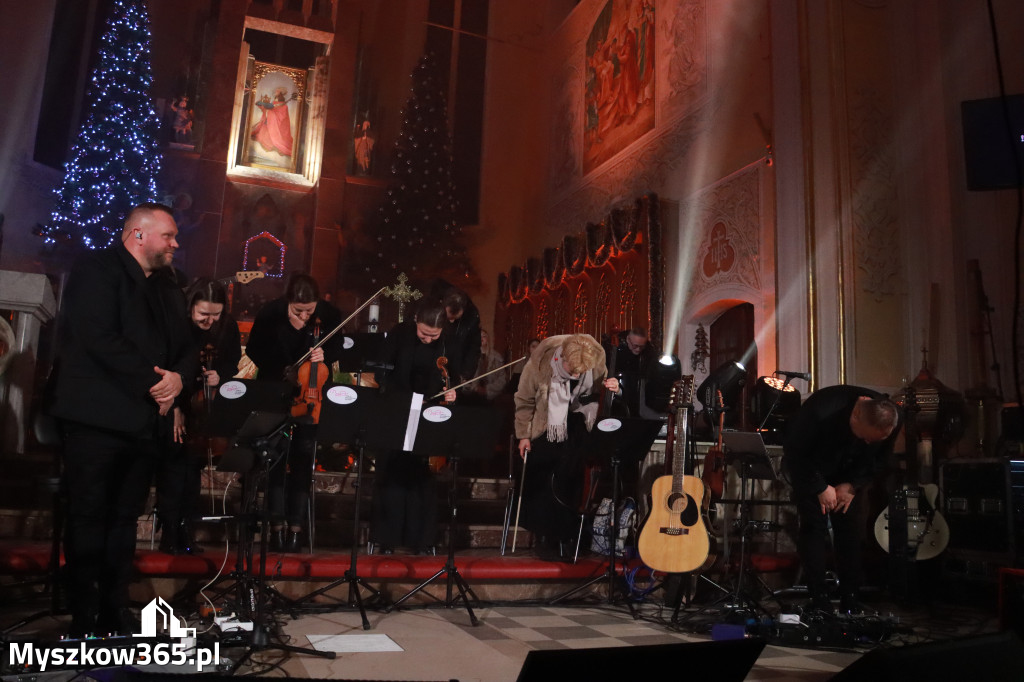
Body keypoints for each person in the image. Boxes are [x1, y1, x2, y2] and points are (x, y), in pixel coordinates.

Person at [49, 203, 197, 636]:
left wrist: (179, 379)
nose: (175, 244)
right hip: (95, 417)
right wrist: (158, 384)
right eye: (168, 236)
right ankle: (84, 615)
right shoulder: (96, 269)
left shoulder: (169, 286)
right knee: (89, 516)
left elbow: (186, 346)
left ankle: (115, 612)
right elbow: (98, 337)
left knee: (124, 519)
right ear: (138, 234)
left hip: (142, 423)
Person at [245, 272, 344, 552]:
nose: (304, 316)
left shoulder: (328, 314)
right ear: (288, 302)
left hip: (311, 397)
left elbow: (338, 347)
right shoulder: (271, 313)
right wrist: (281, 366)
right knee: (276, 459)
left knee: (303, 458)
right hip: (277, 392)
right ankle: (276, 527)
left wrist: (326, 353)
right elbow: (254, 350)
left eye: (309, 310)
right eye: (298, 310)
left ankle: (296, 530)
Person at [782, 385, 900, 613]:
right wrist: (820, 487)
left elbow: (880, 459)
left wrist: (853, 485)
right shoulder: (820, 410)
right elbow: (795, 452)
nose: (868, 443)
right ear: (855, 415)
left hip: (849, 475)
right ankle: (820, 601)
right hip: (812, 469)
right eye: (865, 437)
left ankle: (851, 600)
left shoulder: (893, 417)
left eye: (873, 440)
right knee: (813, 529)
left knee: (850, 532)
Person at [513, 334, 620, 560]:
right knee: (545, 471)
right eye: (573, 371)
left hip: (576, 422)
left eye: (581, 373)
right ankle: (545, 534)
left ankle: (569, 534)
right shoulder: (540, 364)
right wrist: (523, 435)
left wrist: (613, 386)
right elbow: (524, 401)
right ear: (562, 359)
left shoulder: (593, 360)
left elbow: (603, 384)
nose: (577, 375)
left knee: (573, 472)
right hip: (545, 425)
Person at [156, 278, 241, 554]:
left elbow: (231, 363)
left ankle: (186, 530)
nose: (210, 321)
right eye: (204, 314)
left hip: (206, 405)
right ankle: (169, 531)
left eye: (216, 315)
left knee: (192, 470)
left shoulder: (226, 327)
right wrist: (178, 406)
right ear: (191, 305)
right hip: (175, 403)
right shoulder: (177, 324)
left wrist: (221, 375)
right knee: (173, 467)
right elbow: (169, 364)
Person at [371, 300, 457, 554]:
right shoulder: (400, 333)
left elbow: (454, 375)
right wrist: (393, 394)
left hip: (429, 414)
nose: (428, 340)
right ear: (416, 322)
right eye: (423, 333)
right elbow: (381, 371)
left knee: (423, 478)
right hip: (396, 410)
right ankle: (387, 538)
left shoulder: (448, 342)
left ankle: (421, 539)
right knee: (391, 473)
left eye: (434, 335)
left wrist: (450, 392)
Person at [428, 281, 482, 385]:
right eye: (450, 318)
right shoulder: (432, 306)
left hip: (456, 369)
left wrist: (465, 375)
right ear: (442, 303)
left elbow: (473, 348)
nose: (452, 321)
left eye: (455, 318)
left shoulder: (471, 316)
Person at [609, 326, 659, 418]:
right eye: (635, 345)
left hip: (640, 397)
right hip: (622, 394)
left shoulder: (649, 351)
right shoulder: (618, 351)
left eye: (641, 346)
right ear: (628, 339)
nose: (638, 349)